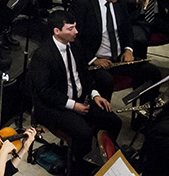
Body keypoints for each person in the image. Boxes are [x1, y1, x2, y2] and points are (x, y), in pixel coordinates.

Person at [29, 10, 121, 176]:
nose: (76, 32)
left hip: (80, 99)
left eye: (75, 27)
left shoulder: (75, 45)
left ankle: (105, 158)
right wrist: (73, 106)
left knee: (113, 121)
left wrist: (95, 95)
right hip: (56, 107)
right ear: (57, 31)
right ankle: (80, 170)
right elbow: (44, 91)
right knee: (83, 134)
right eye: (70, 28)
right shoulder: (42, 55)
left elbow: (85, 75)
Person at [69, 0, 162, 102]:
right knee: (105, 80)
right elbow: (74, 39)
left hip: (119, 58)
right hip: (96, 60)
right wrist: (93, 60)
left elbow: (127, 29)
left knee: (152, 72)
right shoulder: (82, 4)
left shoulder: (119, 1)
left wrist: (128, 49)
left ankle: (143, 116)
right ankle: (103, 117)